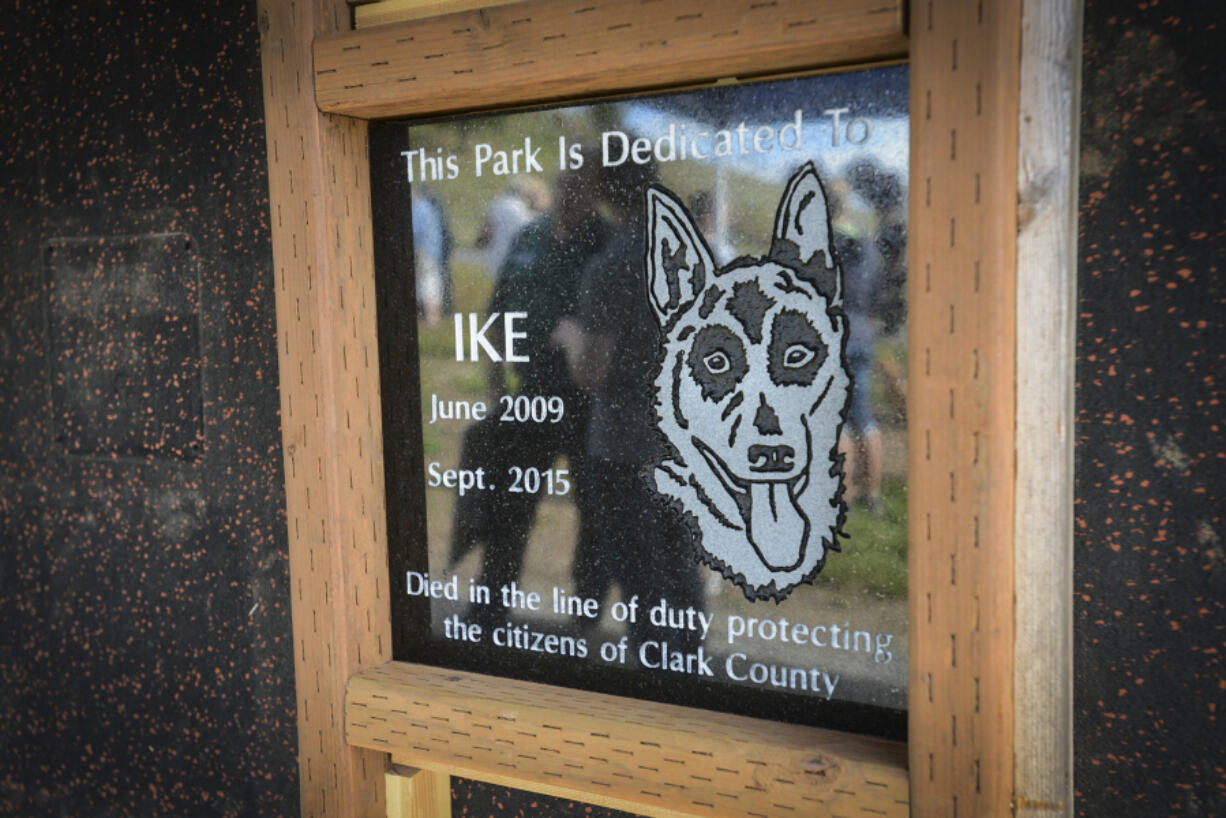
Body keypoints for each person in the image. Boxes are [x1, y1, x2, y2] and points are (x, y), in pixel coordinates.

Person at [448, 163, 607, 632]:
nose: (569, 194)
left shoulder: (609, 245)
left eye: (580, 186)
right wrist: (495, 385)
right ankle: (490, 608)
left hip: (591, 404)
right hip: (531, 395)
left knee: (595, 511)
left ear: (595, 193)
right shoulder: (529, 238)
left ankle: (587, 615)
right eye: (563, 184)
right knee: (507, 503)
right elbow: (497, 315)